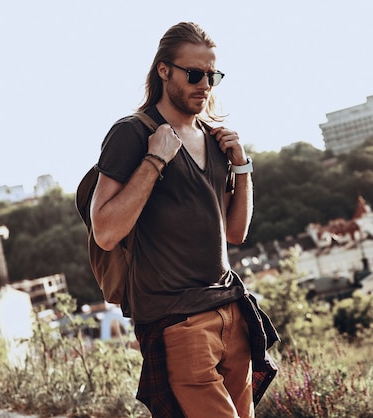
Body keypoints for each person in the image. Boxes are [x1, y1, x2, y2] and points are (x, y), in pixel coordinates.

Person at [90, 22, 278, 417]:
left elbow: (236, 232)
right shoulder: (132, 134)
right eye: (195, 74)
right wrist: (155, 159)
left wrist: (242, 168)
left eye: (213, 75)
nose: (205, 85)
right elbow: (105, 231)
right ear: (164, 71)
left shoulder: (213, 137)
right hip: (179, 321)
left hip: (232, 311)